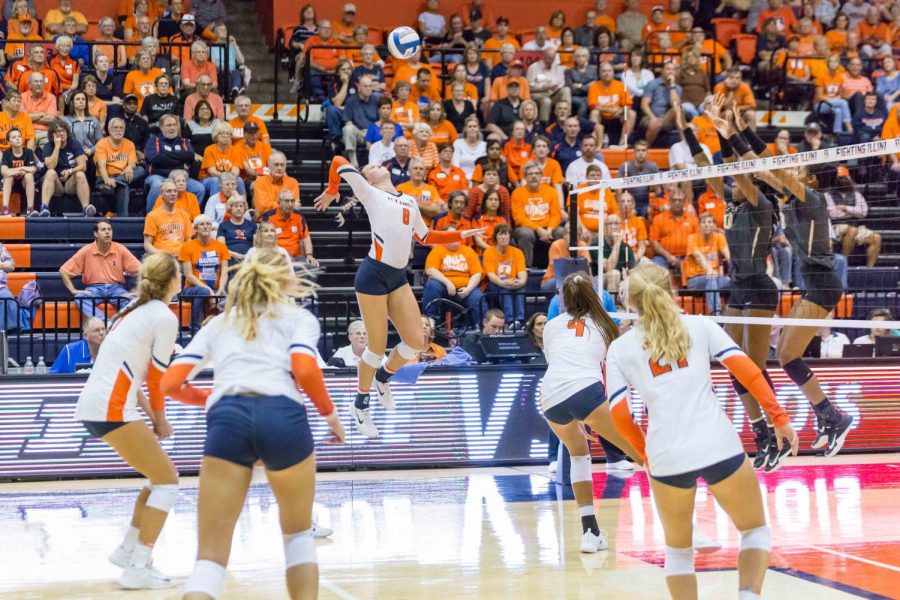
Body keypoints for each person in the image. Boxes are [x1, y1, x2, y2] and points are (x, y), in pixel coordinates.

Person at [160, 250, 345, 600]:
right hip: (283, 415)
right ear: (286, 280)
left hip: (227, 417)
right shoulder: (298, 318)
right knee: (298, 538)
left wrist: (211, 399)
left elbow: (169, 383)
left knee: (210, 559)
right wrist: (331, 418)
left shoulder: (219, 323)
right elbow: (305, 370)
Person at [607, 263, 797, 599]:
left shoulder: (620, 349)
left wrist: (645, 456)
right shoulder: (699, 325)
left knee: (679, 552)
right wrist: (778, 418)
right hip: (717, 445)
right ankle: (747, 595)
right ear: (674, 291)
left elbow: (620, 415)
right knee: (754, 531)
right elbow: (748, 372)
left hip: (666, 456)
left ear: (631, 302)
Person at [315, 156, 484, 438]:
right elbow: (336, 160)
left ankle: (383, 377)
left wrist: (461, 232)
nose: (378, 165)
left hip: (397, 276)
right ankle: (361, 406)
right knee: (376, 348)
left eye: (379, 165)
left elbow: (426, 236)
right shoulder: (369, 192)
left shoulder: (409, 201)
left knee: (417, 341)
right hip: (372, 275)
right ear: (367, 177)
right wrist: (333, 189)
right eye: (371, 167)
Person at [737, 134, 854, 457]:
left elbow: (771, 164)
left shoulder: (811, 197)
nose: (793, 168)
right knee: (787, 355)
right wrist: (733, 130)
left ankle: (833, 417)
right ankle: (831, 416)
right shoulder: (793, 198)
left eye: (800, 167)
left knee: (787, 355)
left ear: (811, 178)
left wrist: (742, 131)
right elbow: (764, 170)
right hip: (815, 284)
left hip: (824, 284)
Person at [73, 253, 182, 589]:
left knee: (157, 477)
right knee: (167, 480)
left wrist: (152, 418)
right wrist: (161, 420)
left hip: (100, 403)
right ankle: (139, 566)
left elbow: (135, 376)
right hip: (111, 405)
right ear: (173, 282)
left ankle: (128, 550)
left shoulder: (130, 311)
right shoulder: (163, 317)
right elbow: (155, 379)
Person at [705, 107, 787, 471]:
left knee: (753, 366)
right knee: (733, 365)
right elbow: (725, 166)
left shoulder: (761, 203)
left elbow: (738, 168)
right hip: (737, 289)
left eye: (738, 177)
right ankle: (760, 432)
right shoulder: (731, 204)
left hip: (759, 286)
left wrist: (731, 132)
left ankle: (777, 429)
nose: (731, 180)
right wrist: (715, 131)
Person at [541, 273, 645, 553]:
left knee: (578, 453)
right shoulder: (604, 324)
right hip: (587, 389)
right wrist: (596, 409)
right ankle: (687, 527)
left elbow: (558, 364)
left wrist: (587, 413)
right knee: (643, 454)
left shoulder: (551, 325)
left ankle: (590, 532)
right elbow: (611, 368)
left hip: (550, 397)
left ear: (563, 299)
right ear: (593, 296)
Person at [60, 219, 142, 320]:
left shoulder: (120, 249)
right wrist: (73, 290)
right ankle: (105, 323)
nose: (107, 232)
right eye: (103, 230)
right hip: (94, 289)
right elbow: (64, 270)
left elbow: (142, 270)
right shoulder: (87, 250)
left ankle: (115, 322)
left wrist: (138, 291)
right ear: (96, 234)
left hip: (116, 288)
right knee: (80, 298)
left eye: (109, 229)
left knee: (133, 300)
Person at [179, 214, 231, 333]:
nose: (206, 226)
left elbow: (224, 273)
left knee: (232, 297)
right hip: (192, 289)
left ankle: (225, 331)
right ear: (196, 229)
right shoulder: (187, 247)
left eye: (208, 224)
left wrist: (219, 291)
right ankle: (195, 329)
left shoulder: (221, 246)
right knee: (203, 292)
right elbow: (189, 276)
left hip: (216, 287)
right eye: (202, 224)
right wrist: (210, 292)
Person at [145, 114, 205, 210]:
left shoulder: (184, 142)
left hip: (180, 177)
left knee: (199, 188)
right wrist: (180, 161)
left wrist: (166, 154)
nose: (172, 128)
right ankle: (152, 216)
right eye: (169, 125)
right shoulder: (154, 140)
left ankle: (189, 216)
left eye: (174, 125)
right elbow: (155, 158)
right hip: (159, 176)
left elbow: (190, 156)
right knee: (157, 185)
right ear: (161, 127)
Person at [510, 161, 563, 268]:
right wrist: (538, 229)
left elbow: (556, 214)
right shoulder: (517, 193)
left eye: (537, 173)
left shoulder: (551, 191)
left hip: (548, 228)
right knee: (525, 233)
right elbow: (519, 218)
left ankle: (559, 267)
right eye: (530, 174)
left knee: (561, 232)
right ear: (525, 176)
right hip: (528, 228)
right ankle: (526, 269)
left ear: (541, 176)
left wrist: (549, 230)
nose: (534, 176)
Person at [41, 119, 93, 216]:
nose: (61, 133)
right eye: (57, 131)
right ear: (52, 134)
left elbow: (83, 166)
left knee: (80, 174)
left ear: (67, 132)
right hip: (56, 184)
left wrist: (70, 171)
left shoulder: (74, 143)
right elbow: (50, 166)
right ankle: (44, 208)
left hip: (70, 182)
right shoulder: (48, 146)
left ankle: (86, 208)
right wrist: (57, 147)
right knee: (50, 173)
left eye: (63, 130)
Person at [95, 118, 144, 217]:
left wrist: (130, 167)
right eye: (115, 127)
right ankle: (123, 220)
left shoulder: (129, 144)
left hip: (123, 175)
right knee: (124, 186)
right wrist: (107, 180)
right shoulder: (102, 143)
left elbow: (132, 162)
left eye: (121, 128)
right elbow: (101, 165)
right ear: (109, 130)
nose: (118, 130)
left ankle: (115, 183)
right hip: (105, 178)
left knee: (141, 170)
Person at [481, 223, 526, 325]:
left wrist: (521, 281)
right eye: (500, 234)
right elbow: (491, 275)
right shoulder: (489, 251)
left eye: (506, 234)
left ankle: (520, 320)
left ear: (510, 236)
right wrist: (502, 282)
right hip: (493, 286)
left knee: (520, 287)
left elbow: (522, 272)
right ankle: (509, 320)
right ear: (495, 237)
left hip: (511, 283)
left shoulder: (517, 252)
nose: (503, 237)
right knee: (505, 287)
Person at [262, 190, 318, 265]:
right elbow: (263, 240)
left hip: (296, 258)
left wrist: (309, 255)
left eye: (292, 201)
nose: (290, 204)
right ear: (279, 203)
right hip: (276, 258)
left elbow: (305, 237)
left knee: (312, 269)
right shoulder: (269, 216)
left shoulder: (298, 215)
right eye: (287, 201)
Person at [144, 179, 195, 256]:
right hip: (161, 257)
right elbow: (147, 245)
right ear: (161, 194)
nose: (173, 194)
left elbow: (189, 241)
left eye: (175, 191)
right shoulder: (152, 216)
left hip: (181, 257)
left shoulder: (184, 215)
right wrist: (163, 254)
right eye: (169, 191)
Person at [0, 127, 38, 216]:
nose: (17, 138)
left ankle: (30, 209)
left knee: (29, 176)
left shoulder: (28, 152)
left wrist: (15, 170)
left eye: (19, 136)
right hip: (11, 184)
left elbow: (33, 169)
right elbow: (4, 172)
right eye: (14, 137)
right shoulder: (6, 153)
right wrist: (23, 169)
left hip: (24, 183)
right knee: (8, 177)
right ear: (9, 142)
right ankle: (5, 208)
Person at [253, 152, 300, 216]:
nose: (279, 168)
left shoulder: (293, 182)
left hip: (287, 221)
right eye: (276, 165)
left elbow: (295, 207)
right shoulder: (260, 182)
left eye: (282, 165)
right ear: (268, 166)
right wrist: (285, 205)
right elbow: (262, 207)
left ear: (285, 167)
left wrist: (271, 205)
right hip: (266, 222)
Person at [216, 195, 255, 262]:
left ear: (244, 208)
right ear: (230, 208)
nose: (239, 208)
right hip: (229, 258)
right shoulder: (223, 225)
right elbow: (221, 247)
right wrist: (234, 255)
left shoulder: (252, 225)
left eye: (241, 206)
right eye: (236, 206)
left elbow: (257, 246)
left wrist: (248, 256)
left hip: (250, 259)